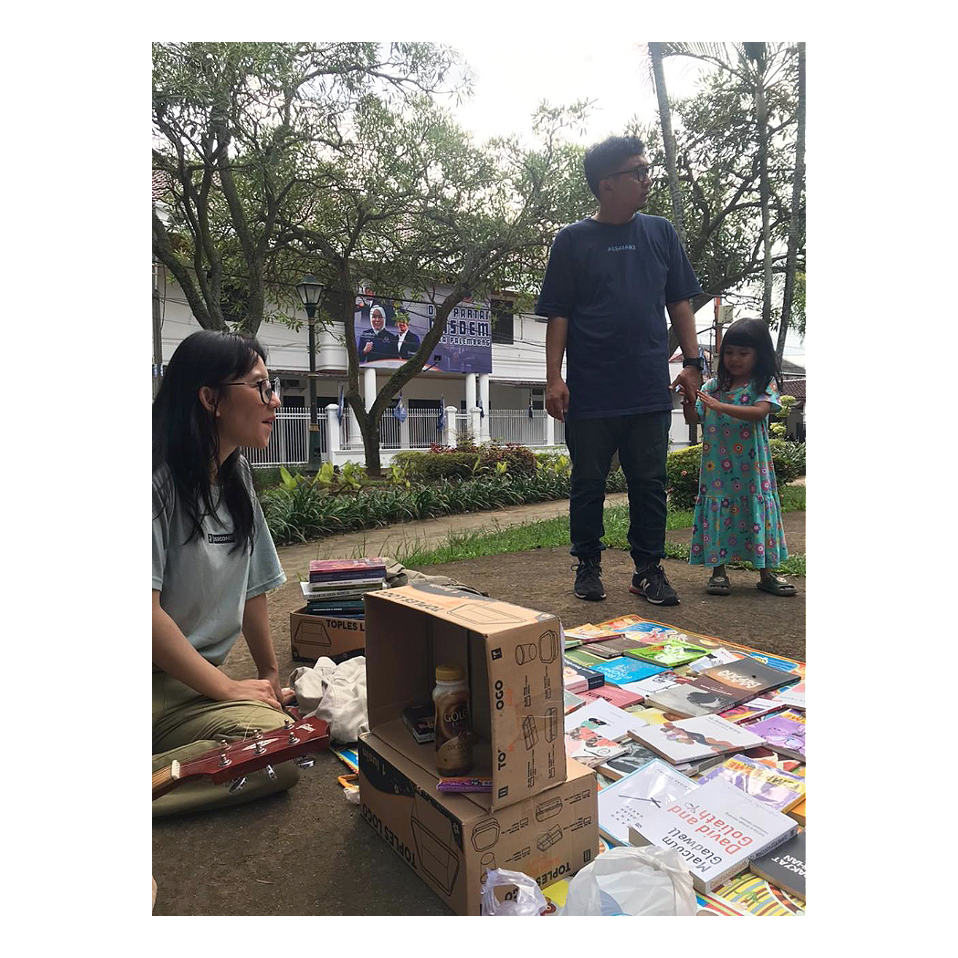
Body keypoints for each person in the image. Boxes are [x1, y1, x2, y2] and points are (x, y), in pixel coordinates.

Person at [536, 134, 704, 605]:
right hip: (590, 391)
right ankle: (587, 565)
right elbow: (559, 314)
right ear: (606, 184)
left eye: (647, 171)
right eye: (638, 172)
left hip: (647, 389)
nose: (647, 180)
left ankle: (648, 569)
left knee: (649, 484)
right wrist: (554, 378)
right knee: (587, 483)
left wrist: (693, 363)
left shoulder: (660, 233)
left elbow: (680, 302)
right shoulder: (572, 241)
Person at [152, 330, 299, 817]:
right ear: (210, 399)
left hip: (193, 690)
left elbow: (253, 587)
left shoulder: (236, 479)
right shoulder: (154, 484)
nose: (274, 400)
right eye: (259, 386)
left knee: (280, 745)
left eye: (271, 386)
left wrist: (269, 677)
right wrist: (230, 689)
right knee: (272, 753)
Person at [684, 317, 796, 597]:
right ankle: (718, 572)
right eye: (730, 352)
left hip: (752, 469)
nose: (734, 359)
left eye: (743, 353)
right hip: (717, 471)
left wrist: (719, 406)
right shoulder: (712, 388)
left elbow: (759, 412)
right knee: (718, 509)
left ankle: (766, 574)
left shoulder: (763, 385)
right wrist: (687, 399)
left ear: (759, 355)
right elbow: (694, 417)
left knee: (756, 508)